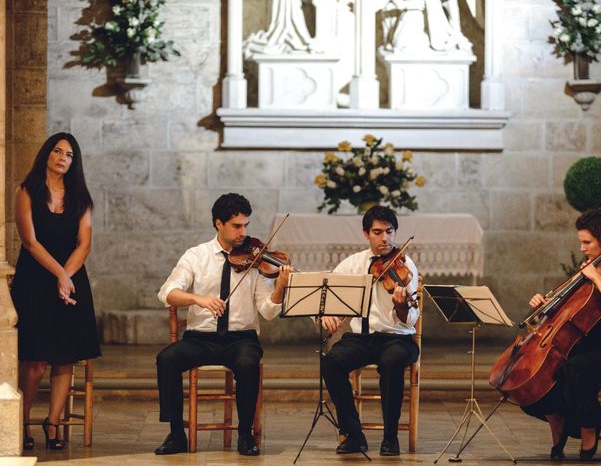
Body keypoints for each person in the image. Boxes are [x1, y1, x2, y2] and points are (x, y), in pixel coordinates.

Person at [155, 193, 292, 456]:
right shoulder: (196, 256)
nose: (243, 232)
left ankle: (245, 434)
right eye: (236, 226)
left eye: (246, 225)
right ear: (218, 223)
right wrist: (198, 298)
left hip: (242, 339)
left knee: (247, 363)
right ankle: (175, 434)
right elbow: (167, 292)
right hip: (200, 339)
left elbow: (267, 311)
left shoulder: (256, 260)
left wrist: (280, 288)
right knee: (167, 359)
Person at [523, 209, 601, 461]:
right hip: (582, 344)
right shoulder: (584, 272)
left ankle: (589, 429)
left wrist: (595, 277)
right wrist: (543, 301)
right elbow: (564, 306)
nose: (582, 248)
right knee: (543, 375)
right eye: (581, 242)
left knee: (576, 370)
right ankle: (557, 418)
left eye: (587, 242)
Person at [12, 132, 101, 451]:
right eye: (58, 151)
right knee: (35, 359)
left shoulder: (80, 198)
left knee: (65, 358)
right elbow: (29, 241)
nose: (63, 158)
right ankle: (20, 422)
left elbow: (85, 244)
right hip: (36, 279)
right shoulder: (27, 191)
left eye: (69, 155)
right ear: (46, 155)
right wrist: (60, 274)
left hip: (71, 279)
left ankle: (52, 424)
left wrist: (67, 277)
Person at [320, 206, 420, 456]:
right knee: (331, 362)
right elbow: (327, 298)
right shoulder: (352, 264)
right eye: (378, 232)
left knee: (392, 361)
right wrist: (327, 315)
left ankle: (390, 438)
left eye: (390, 231)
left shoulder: (406, 266)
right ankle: (353, 434)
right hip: (361, 338)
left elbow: (411, 320)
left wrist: (401, 305)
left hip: (396, 338)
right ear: (366, 234)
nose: (385, 238)